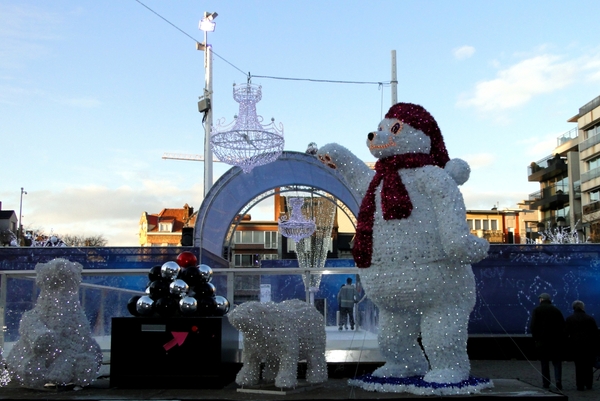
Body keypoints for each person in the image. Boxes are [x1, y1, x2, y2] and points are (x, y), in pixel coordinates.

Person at [530, 293, 566, 390]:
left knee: (544, 363)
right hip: (556, 342)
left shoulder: (537, 310)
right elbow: (562, 326)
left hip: (542, 341)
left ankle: (546, 382)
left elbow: (533, 326)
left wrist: (536, 338)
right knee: (557, 363)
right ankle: (558, 381)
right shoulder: (556, 310)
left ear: (541, 299)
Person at [565, 300, 599, 391]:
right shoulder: (590, 318)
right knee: (588, 366)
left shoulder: (569, 319)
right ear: (583, 307)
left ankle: (580, 385)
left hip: (576, 346)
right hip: (589, 346)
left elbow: (566, 333)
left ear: (574, 307)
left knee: (579, 366)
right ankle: (589, 384)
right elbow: (595, 333)